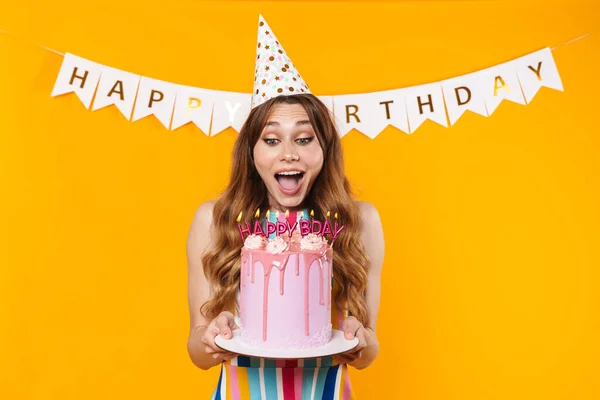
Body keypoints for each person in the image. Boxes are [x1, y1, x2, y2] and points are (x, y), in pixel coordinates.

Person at [186, 15, 384, 400]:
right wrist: (211, 337)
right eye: (272, 139)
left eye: (305, 138)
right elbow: (196, 350)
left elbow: (370, 351)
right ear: (252, 152)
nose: (289, 153)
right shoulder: (215, 220)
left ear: (324, 149)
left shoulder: (360, 223)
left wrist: (361, 341)